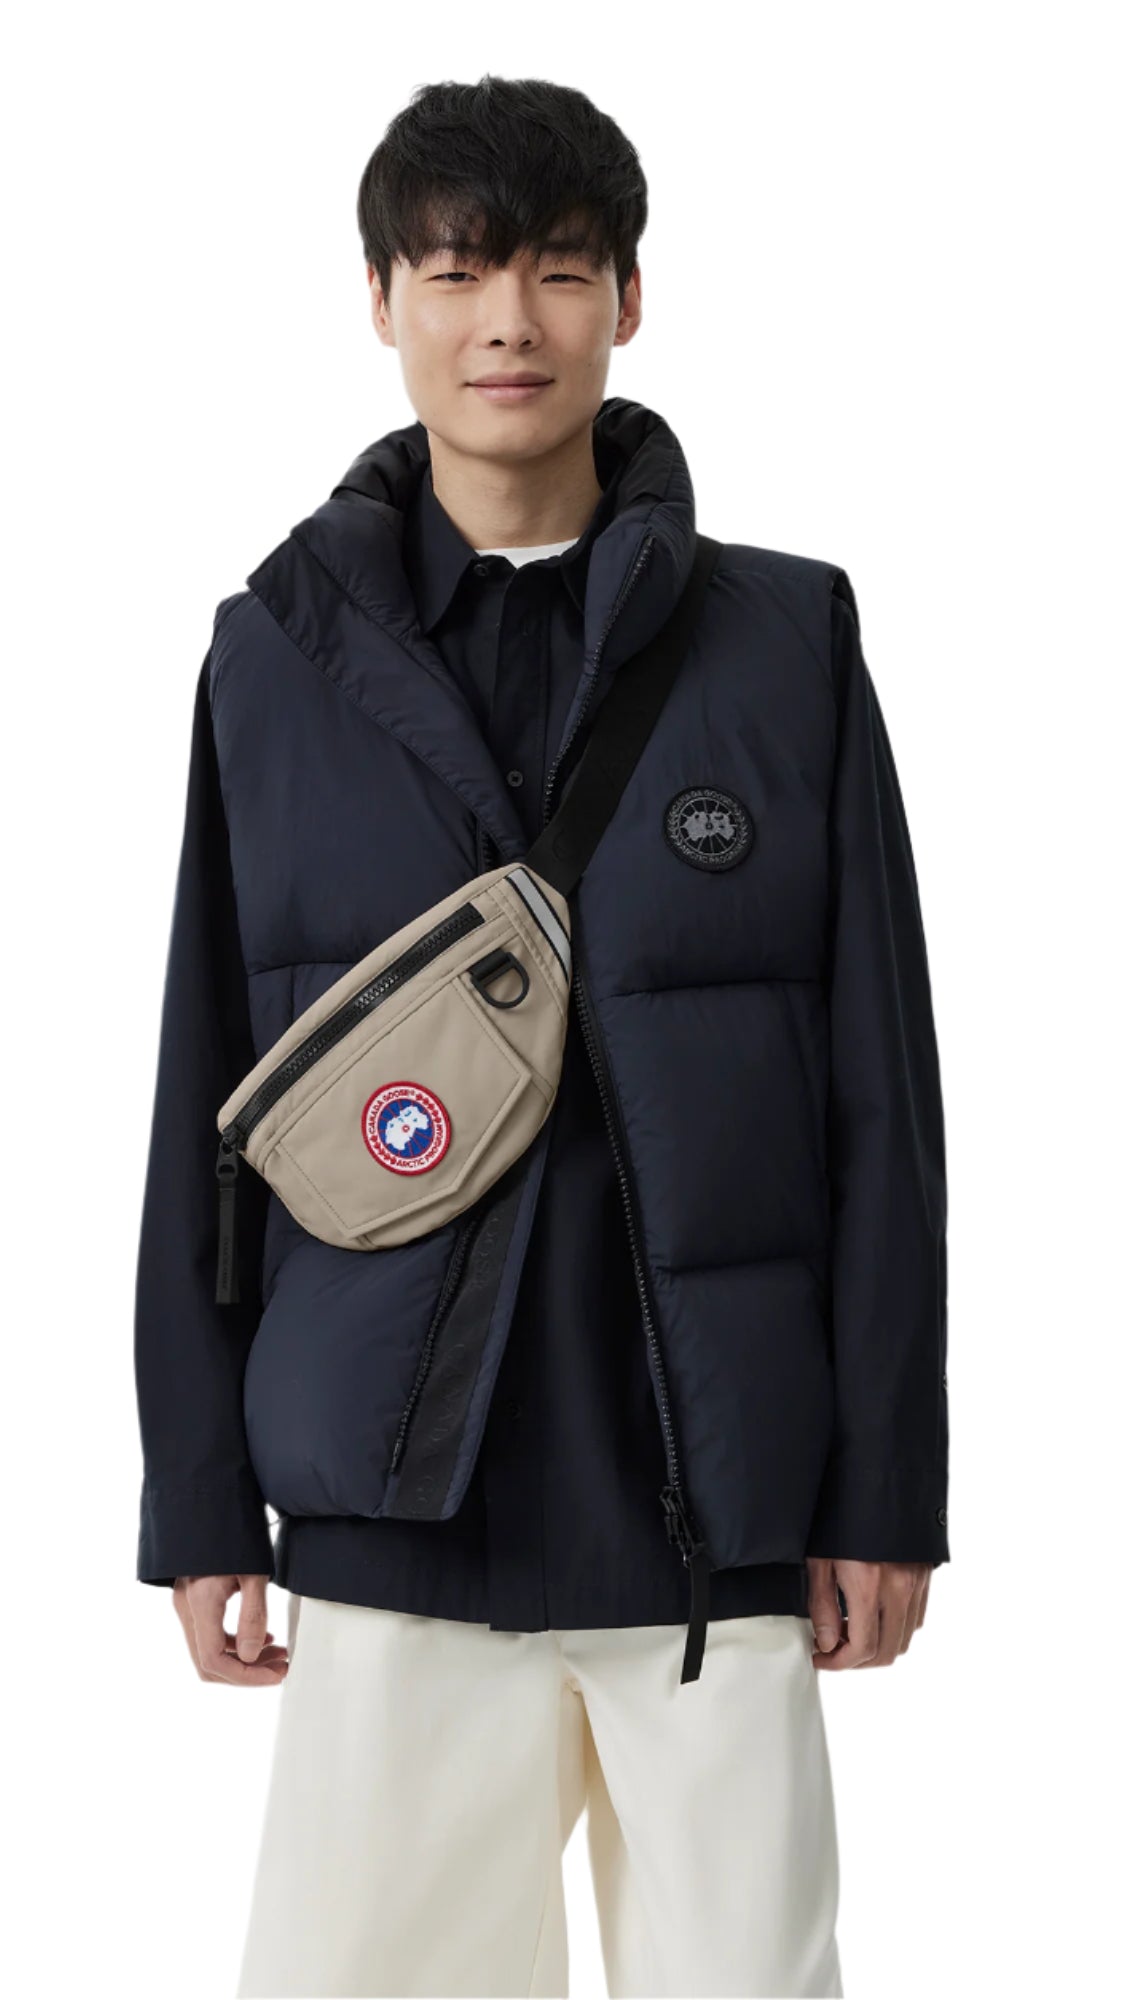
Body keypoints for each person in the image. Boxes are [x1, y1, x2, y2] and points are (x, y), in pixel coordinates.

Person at [133, 74, 949, 2000]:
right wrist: (196, 1494)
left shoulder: (786, 644)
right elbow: (201, 1097)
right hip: (390, 1498)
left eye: (560, 271)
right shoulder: (272, 658)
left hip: (715, 1508)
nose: (509, 320)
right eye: (457, 270)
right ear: (382, 300)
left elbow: (881, 1099)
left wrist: (883, 1485)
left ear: (628, 301)